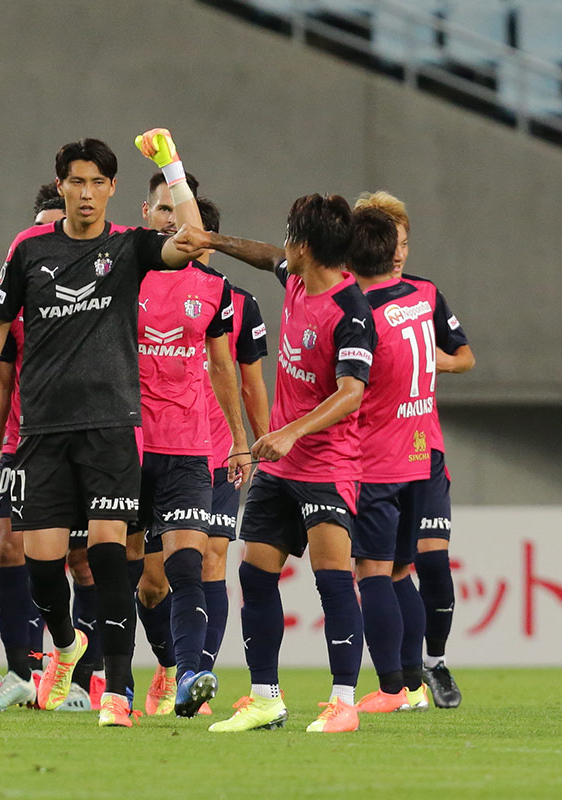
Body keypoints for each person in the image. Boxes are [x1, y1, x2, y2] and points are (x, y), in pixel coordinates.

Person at [0, 131, 205, 728]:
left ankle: (117, 690)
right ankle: (65, 644)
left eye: (97, 183)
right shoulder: (29, 249)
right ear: (60, 186)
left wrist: (171, 168)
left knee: (112, 560)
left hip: (112, 426)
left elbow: (192, 239)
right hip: (41, 431)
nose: (86, 194)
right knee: (42, 565)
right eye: (76, 182)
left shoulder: (131, 246)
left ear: (113, 189)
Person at [174, 194, 377, 734]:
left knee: (333, 581)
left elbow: (352, 391)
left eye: (290, 231)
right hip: (282, 467)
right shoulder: (295, 277)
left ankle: (343, 703)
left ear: (306, 245)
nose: (283, 240)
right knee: (254, 575)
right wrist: (213, 240)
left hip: (328, 465)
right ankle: (266, 698)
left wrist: (291, 431)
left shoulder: (351, 310)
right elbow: (266, 256)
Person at [341, 206, 473, 714]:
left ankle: (399, 685)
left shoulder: (362, 311)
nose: (400, 252)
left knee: (378, 572)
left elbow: (463, 355)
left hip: (381, 457)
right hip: (415, 454)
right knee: (399, 573)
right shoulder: (416, 299)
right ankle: (417, 681)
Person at [127, 184, 251, 718]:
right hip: (126, 446)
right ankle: (146, 670)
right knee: (141, 582)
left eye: (180, 214)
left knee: (192, 563)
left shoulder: (217, 289)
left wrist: (244, 441)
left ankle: (192, 672)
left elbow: (229, 370)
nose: (171, 222)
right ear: (145, 214)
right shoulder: (120, 273)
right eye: (163, 210)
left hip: (190, 446)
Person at [0, 185, 67, 711]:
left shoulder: (91, 292)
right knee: (8, 545)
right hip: (19, 444)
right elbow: (3, 380)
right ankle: (19, 670)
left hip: (77, 440)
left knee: (78, 558)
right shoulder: (15, 301)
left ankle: (77, 671)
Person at [198, 199, 270, 689]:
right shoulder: (137, 286)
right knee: (152, 577)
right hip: (155, 446)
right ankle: (168, 661)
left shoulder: (240, 302)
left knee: (213, 560)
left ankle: (194, 674)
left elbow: (251, 383)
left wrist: (259, 446)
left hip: (222, 450)